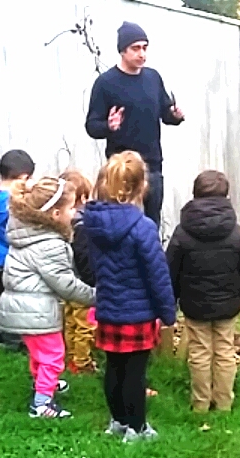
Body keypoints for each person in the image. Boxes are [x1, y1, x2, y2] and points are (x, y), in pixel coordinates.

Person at [82, 150, 176, 442]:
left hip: (109, 307)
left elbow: (91, 265)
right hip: (138, 312)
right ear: (140, 187)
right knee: (135, 373)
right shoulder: (143, 227)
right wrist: (168, 312)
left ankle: (118, 421)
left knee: (114, 368)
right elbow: (157, 273)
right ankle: (137, 428)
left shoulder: (93, 224)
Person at [0, 177, 95, 419]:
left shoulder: (27, 232)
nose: (75, 213)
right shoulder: (49, 244)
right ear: (55, 214)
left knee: (39, 353)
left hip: (22, 308)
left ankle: (43, 382)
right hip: (36, 311)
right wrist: (96, 296)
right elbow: (65, 284)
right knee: (53, 355)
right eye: (71, 208)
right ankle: (42, 404)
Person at [166, 170, 240, 413]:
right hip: (228, 303)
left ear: (195, 194)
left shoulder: (182, 231)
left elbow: (171, 268)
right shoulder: (235, 231)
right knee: (225, 350)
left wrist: (171, 299)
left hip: (194, 303)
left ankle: (200, 403)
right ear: (226, 196)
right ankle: (224, 402)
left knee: (199, 352)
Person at [85, 21, 185, 231]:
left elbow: (165, 113)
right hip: (121, 169)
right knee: (118, 225)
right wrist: (109, 126)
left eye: (145, 48)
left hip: (152, 166)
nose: (142, 54)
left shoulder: (153, 78)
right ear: (122, 51)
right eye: (136, 48)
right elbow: (92, 126)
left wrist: (175, 115)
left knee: (151, 224)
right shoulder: (106, 83)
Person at [0, 150, 36, 350]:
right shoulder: (12, 205)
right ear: (23, 178)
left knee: (2, 293)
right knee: (14, 298)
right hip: (8, 258)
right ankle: (13, 339)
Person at [59, 169, 99, 375]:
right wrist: (92, 281)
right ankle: (82, 363)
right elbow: (84, 257)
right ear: (82, 197)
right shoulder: (82, 225)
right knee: (85, 325)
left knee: (71, 321)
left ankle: (71, 357)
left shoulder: (61, 222)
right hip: (82, 283)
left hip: (67, 280)